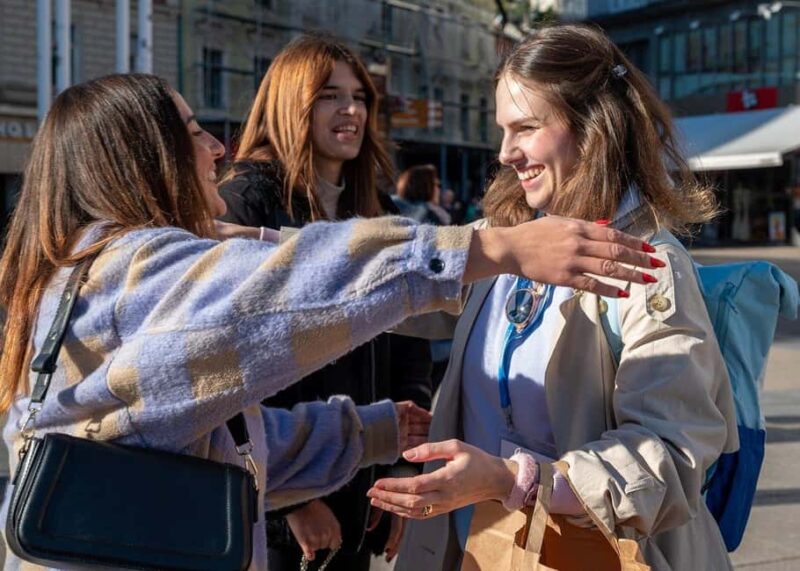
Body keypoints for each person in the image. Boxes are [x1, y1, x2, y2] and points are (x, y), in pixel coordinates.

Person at [0, 73, 656, 571]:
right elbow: (292, 289)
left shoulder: (79, 268)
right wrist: (493, 248)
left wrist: (367, 431)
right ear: (141, 154)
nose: (215, 147)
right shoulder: (133, 270)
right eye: (193, 130)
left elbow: (198, 443)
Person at [368, 24, 738, 571]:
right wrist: (252, 245)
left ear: (592, 130)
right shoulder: (504, 240)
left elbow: (669, 456)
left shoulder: (649, 265)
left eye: (526, 128)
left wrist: (509, 479)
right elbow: (393, 284)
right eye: (502, 129)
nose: (504, 152)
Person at [218, 34, 433, 568]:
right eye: (330, 95)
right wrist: (291, 499)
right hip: (281, 504)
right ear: (293, 103)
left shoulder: (373, 205)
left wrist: (401, 468)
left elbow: (409, 343)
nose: (351, 110)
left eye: (360, 96)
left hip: (363, 487)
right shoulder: (248, 199)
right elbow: (226, 363)